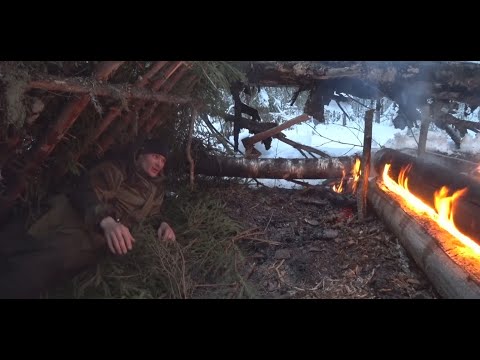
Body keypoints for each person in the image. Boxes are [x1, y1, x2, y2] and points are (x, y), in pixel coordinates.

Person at [0, 138, 175, 298]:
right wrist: (107, 220)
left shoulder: (156, 191)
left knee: (49, 263)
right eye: (156, 156)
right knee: (28, 253)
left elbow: (154, 214)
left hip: (98, 242)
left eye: (163, 161)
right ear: (141, 154)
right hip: (81, 218)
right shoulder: (119, 170)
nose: (159, 164)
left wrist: (164, 223)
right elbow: (86, 191)